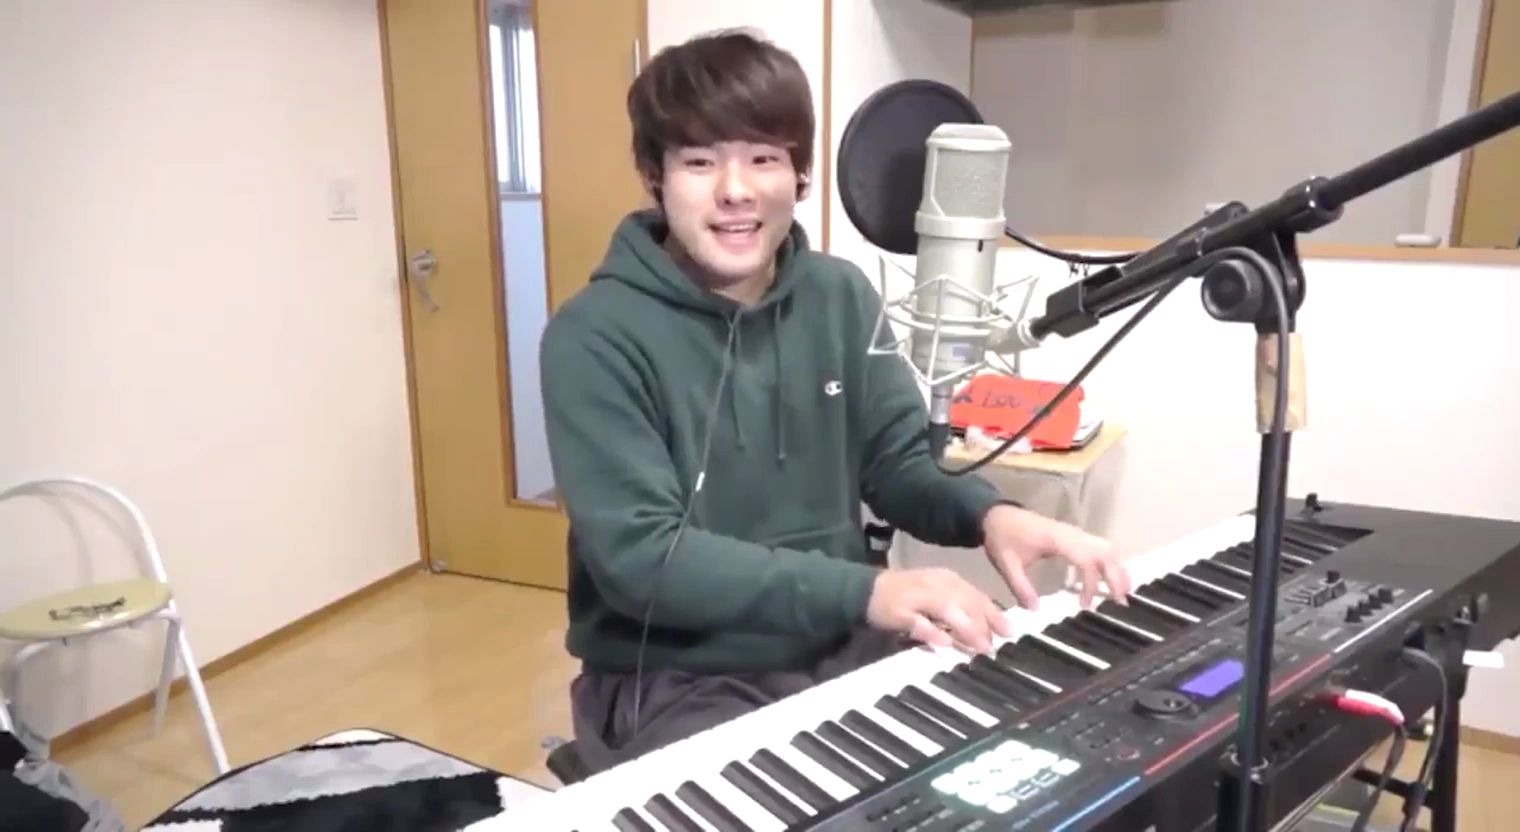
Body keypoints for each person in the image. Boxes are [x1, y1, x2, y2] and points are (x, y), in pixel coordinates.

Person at [538, 29, 1132, 776]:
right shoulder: (593, 336)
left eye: (764, 158)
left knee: (1012, 763)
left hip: (838, 639)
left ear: (801, 174)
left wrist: (991, 516)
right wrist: (869, 590)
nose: (735, 190)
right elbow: (644, 560)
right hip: (676, 674)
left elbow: (898, 465)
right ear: (655, 175)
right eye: (699, 161)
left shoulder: (839, 295)